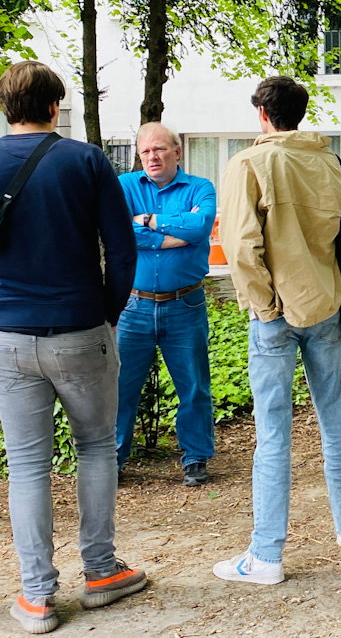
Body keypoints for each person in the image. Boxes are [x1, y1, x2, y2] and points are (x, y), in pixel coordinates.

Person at [0, 62, 147, 633]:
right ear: (55, 106)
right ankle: (101, 572)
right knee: (97, 447)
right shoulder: (85, 160)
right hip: (80, 328)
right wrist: (105, 313)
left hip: (6, 336)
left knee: (27, 463)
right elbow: (123, 250)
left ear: (5, 109)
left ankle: (36, 597)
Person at [214, 75, 341, 586]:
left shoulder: (249, 163)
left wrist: (265, 306)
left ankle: (266, 555)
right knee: (334, 424)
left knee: (273, 434)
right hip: (324, 304)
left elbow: (239, 246)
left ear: (262, 114)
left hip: (276, 314)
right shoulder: (332, 162)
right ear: (299, 113)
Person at [115, 122, 218, 487]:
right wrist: (170, 237)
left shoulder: (200, 187)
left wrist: (148, 221)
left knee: (193, 387)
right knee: (121, 387)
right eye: (145, 151)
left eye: (159, 149)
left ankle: (195, 457)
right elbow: (118, 231)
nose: (152, 157)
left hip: (185, 305)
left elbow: (201, 226)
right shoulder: (125, 186)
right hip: (134, 306)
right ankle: (114, 458)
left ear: (177, 152)